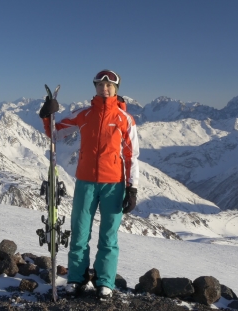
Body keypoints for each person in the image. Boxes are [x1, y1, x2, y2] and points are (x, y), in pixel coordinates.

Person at [38, 69, 139, 299]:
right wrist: (47, 115)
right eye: (100, 85)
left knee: (108, 235)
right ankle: (76, 278)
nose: (104, 88)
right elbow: (55, 133)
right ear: (95, 88)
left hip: (114, 184)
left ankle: (105, 282)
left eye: (109, 85)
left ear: (116, 89)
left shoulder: (125, 119)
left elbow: (132, 155)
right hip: (85, 182)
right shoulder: (84, 115)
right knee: (80, 233)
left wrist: (132, 188)